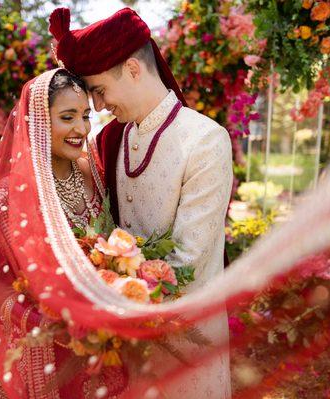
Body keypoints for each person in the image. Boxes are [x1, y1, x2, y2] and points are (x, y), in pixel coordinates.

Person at [48, 7, 233, 398]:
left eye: (98, 91)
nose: (97, 107)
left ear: (133, 69)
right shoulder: (107, 140)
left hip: (188, 340)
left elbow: (187, 258)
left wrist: (108, 309)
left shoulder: (204, 141)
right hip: (121, 348)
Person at [0, 69, 127, 398]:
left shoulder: (95, 172)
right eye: (67, 117)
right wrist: (59, 321)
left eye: (85, 115)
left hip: (103, 346)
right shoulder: (4, 201)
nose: (81, 129)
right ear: (38, 122)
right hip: (39, 352)